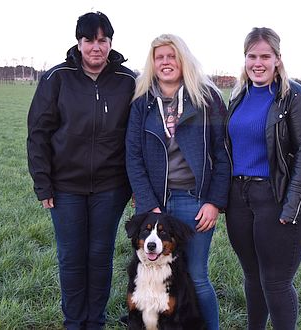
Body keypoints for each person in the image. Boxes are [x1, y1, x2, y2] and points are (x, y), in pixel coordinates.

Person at [26, 12, 135, 329]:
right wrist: (43, 184)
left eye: (103, 40)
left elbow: (138, 134)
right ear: (79, 42)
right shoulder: (56, 78)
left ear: (110, 43)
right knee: (72, 258)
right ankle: (74, 322)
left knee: (100, 257)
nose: (96, 47)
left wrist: (135, 188)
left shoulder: (128, 81)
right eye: (89, 40)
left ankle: (95, 321)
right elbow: (38, 133)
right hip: (65, 188)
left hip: (111, 188)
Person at [126, 34, 229, 330]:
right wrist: (148, 204)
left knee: (195, 276)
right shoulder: (142, 103)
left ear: (183, 59)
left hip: (194, 202)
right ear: (153, 63)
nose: (166, 62)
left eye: (172, 56)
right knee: (150, 277)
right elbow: (133, 156)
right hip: (155, 201)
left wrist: (214, 202)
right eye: (160, 57)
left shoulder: (207, 99)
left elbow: (223, 155)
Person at [225, 27, 301, 330]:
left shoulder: (294, 96)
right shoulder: (239, 96)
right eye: (252, 56)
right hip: (239, 199)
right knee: (252, 278)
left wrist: (292, 205)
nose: (258, 62)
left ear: (278, 59)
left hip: (276, 198)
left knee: (275, 282)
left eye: (265, 56)